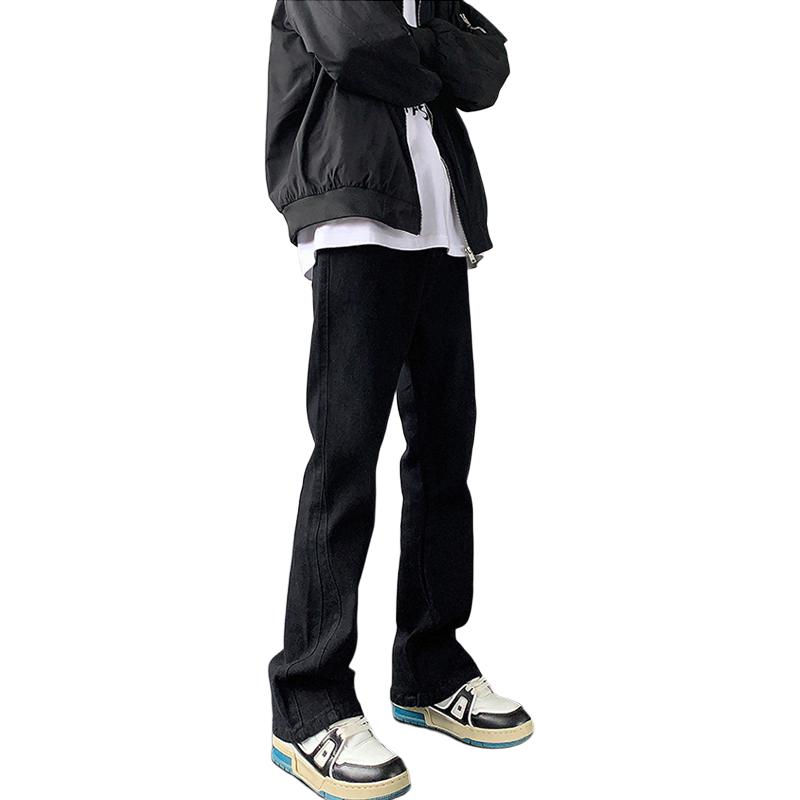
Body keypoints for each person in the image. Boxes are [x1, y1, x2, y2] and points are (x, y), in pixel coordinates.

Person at [265, 2, 531, 798]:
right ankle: (308, 701)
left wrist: (421, 49)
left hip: (440, 230)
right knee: (345, 461)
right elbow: (356, 50)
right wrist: (433, 53)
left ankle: (430, 667)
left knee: (445, 458)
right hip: (358, 224)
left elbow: (487, 73)